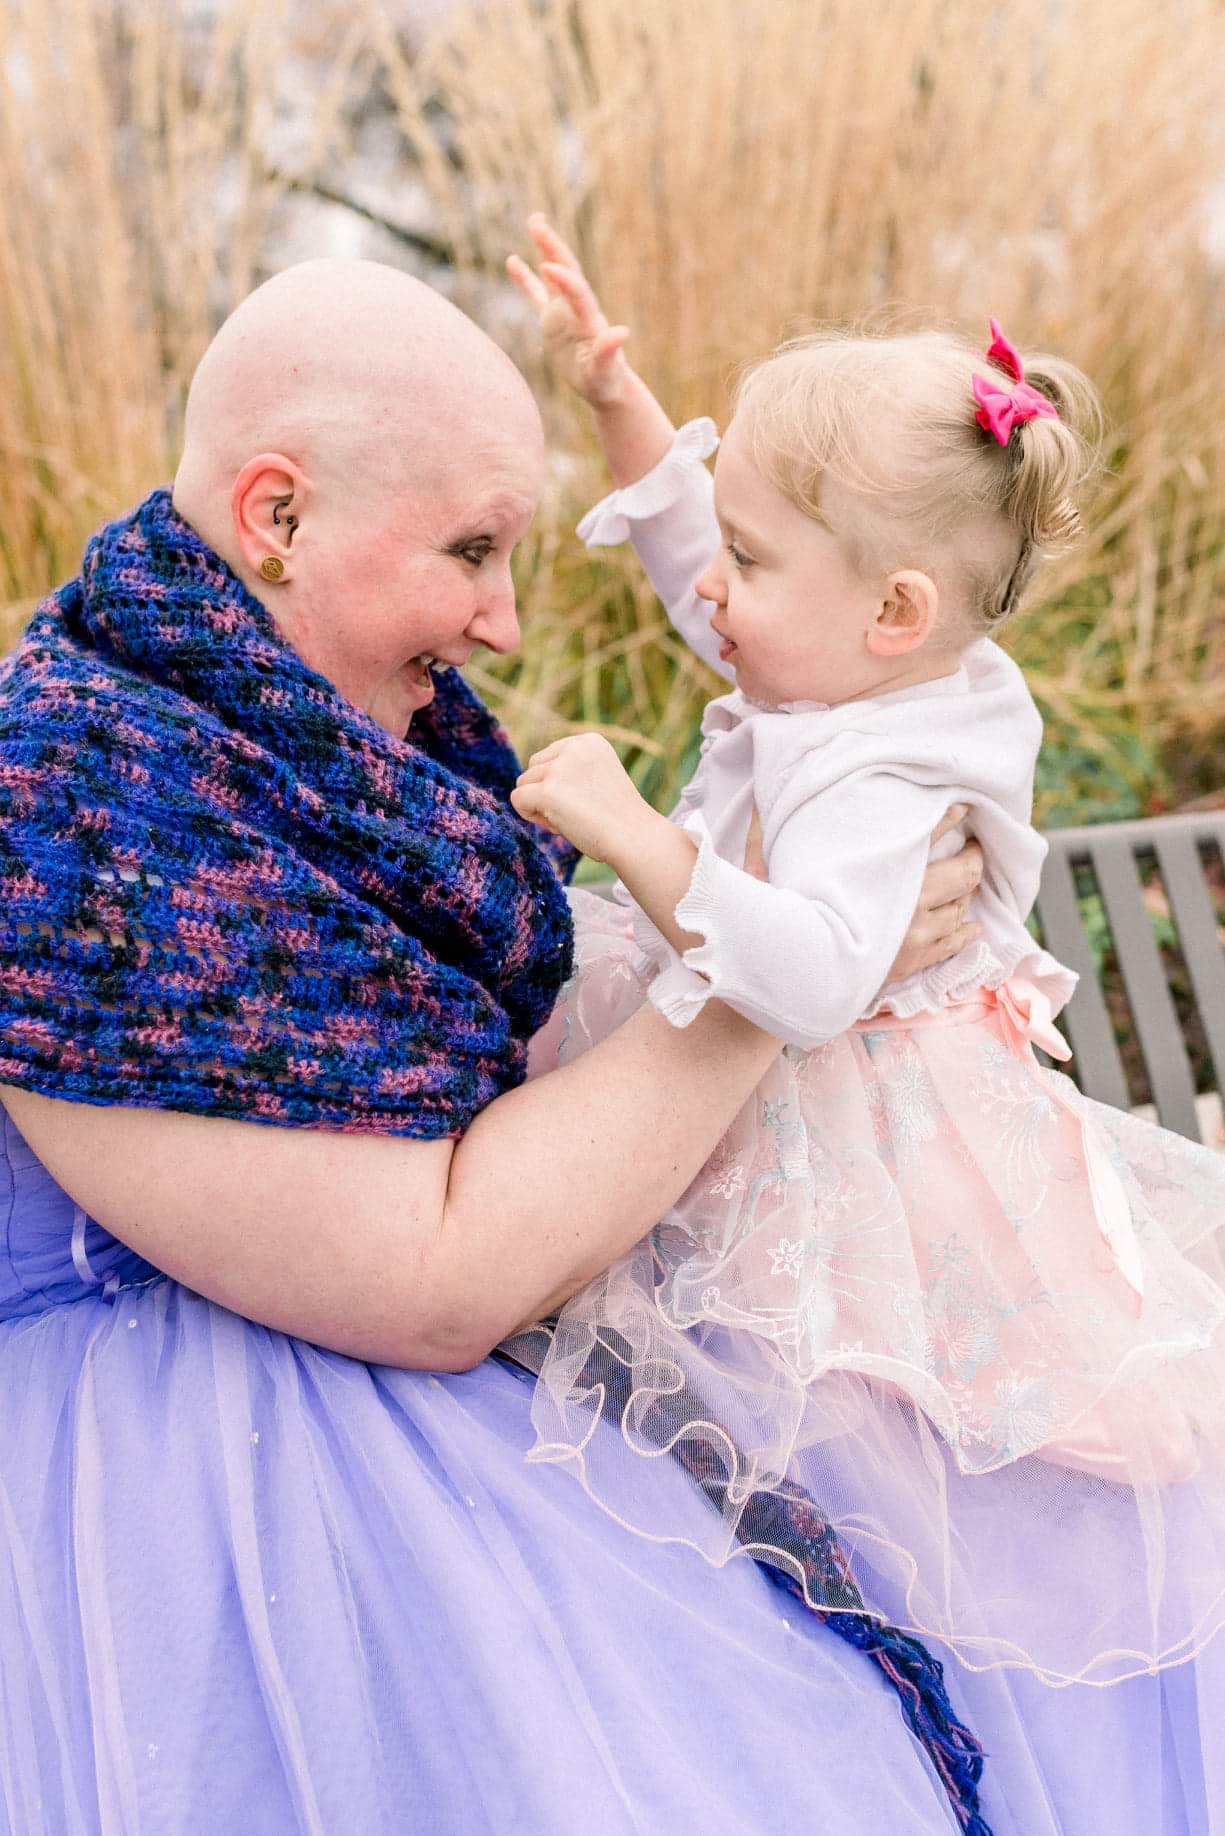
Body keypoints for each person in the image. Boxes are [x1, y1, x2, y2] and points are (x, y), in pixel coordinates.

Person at [0, 256, 989, 1835]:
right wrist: (783, 968)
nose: (506, 623)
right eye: (471, 551)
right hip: (189, 1516)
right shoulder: (74, 805)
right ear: (276, 519)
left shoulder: (291, 732)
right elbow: (432, 1272)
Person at [508, 216, 1225, 1832]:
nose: (713, 587)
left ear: (891, 607)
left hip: (866, 1153)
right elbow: (716, 570)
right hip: (831, 1110)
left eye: (751, 563)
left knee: (837, 1442)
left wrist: (637, 833)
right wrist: (618, 396)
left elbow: (817, 975)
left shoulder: (885, 770)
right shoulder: (869, 669)